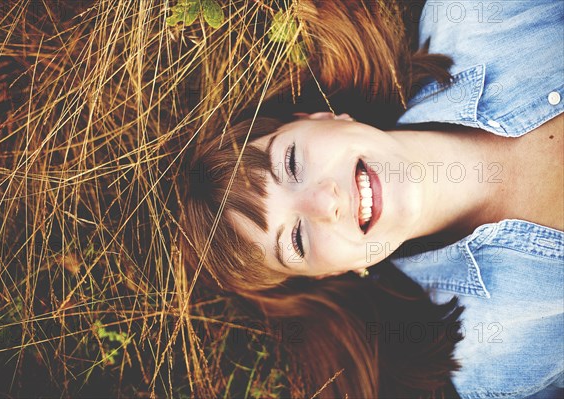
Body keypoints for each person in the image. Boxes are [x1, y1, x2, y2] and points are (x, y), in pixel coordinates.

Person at [181, 1, 563, 398]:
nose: (324, 203)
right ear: (333, 272)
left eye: (292, 163)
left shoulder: (474, 14)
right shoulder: (490, 366)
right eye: (295, 239)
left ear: (321, 117)